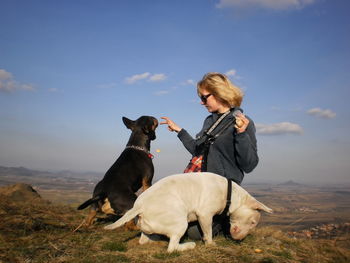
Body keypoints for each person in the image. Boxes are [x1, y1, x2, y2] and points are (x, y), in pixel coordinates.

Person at [160, 72, 259, 239]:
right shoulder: (209, 121)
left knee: (192, 233)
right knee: (172, 218)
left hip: (221, 190)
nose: (201, 102)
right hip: (202, 186)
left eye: (204, 98)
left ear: (219, 93)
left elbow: (249, 165)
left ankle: (224, 220)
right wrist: (180, 131)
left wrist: (241, 133)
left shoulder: (243, 121)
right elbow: (198, 151)